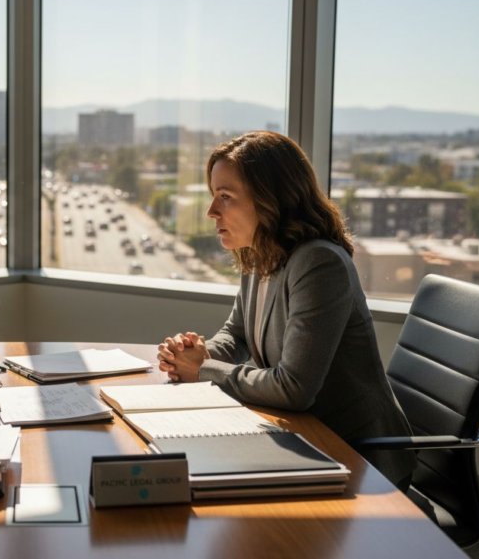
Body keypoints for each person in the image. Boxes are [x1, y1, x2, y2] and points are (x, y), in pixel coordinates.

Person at [157, 131, 417, 489]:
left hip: (355, 454)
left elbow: (294, 388)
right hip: (301, 436)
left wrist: (202, 369)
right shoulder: (259, 253)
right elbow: (237, 334)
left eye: (226, 197)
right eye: (213, 196)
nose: (211, 211)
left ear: (270, 200)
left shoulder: (318, 263)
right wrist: (189, 355)